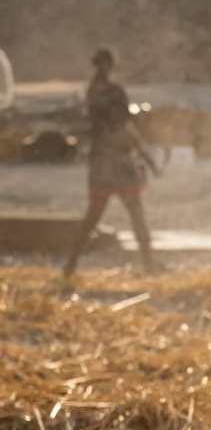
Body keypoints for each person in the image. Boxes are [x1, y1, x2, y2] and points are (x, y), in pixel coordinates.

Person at [63, 47, 159, 280]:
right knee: (136, 213)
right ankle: (149, 265)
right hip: (118, 160)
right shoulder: (115, 92)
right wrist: (145, 155)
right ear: (112, 65)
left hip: (99, 161)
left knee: (92, 216)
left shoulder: (92, 91)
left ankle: (70, 266)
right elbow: (124, 126)